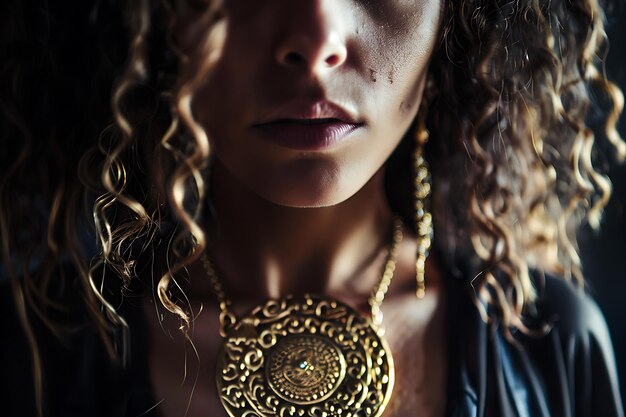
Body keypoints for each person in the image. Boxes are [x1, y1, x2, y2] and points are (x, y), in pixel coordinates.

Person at [1, 0, 624, 416]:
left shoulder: (551, 347)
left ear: (458, 20)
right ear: (157, 16)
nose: (318, 39)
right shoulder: (33, 349)